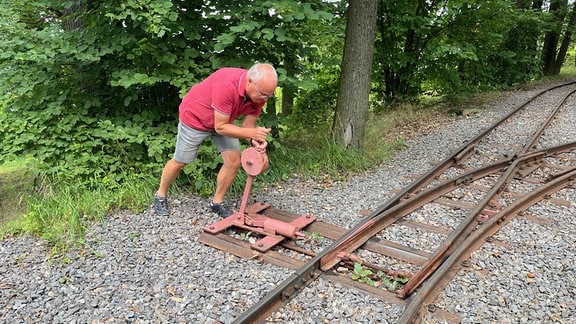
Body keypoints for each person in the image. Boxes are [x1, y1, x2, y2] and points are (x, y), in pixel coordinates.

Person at [154, 63, 277, 217]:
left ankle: (217, 202)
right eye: (262, 94)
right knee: (181, 161)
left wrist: (257, 144)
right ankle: (160, 195)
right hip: (195, 119)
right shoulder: (226, 85)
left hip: (224, 120)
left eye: (269, 95)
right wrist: (253, 133)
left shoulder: (260, 93)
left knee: (233, 161)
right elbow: (221, 127)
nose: (265, 98)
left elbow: (248, 125)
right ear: (249, 81)